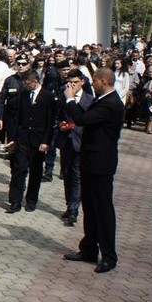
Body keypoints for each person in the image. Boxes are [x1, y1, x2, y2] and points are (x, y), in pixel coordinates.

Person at [62, 67, 124, 273]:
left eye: (94, 82)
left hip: (101, 164)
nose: (92, 85)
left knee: (103, 209)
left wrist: (70, 99)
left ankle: (109, 255)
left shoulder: (111, 103)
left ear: (103, 82)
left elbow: (82, 119)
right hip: (90, 161)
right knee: (89, 207)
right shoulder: (101, 100)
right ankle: (89, 248)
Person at [4, 71, 55, 213]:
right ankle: (15, 202)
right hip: (22, 139)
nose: (25, 86)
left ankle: (31, 201)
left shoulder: (48, 96)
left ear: (35, 81)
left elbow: (50, 121)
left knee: (36, 172)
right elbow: (17, 118)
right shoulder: (23, 95)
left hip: (38, 140)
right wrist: (13, 138)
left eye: (27, 84)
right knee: (19, 170)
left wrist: (46, 141)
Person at [53, 70, 93, 226]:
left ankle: (74, 210)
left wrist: (75, 126)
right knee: (67, 173)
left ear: (82, 82)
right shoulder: (63, 97)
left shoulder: (89, 100)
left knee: (77, 175)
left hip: (80, 142)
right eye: (69, 83)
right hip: (66, 141)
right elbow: (57, 117)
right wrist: (60, 125)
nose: (71, 86)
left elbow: (87, 121)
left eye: (75, 82)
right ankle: (69, 204)